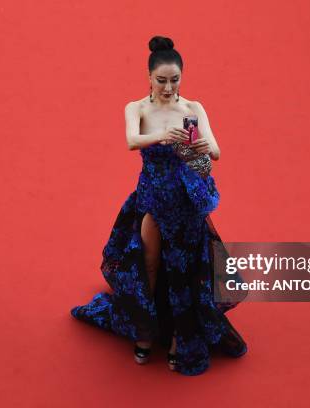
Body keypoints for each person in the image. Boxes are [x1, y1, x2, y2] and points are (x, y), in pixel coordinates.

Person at [70, 35, 248, 376]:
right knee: (148, 266)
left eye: (175, 80)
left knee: (184, 272)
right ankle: (145, 333)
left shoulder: (193, 109)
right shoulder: (136, 108)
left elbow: (215, 152)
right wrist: (164, 138)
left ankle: (181, 340)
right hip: (152, 198)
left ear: (182, 77)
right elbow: (131, 141)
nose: (168, 87)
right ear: (149, 77)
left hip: (184, 203)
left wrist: (194, 147)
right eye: (162, 80)